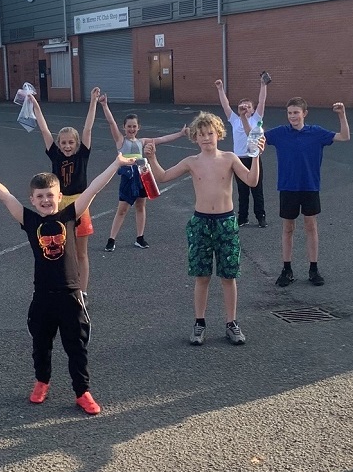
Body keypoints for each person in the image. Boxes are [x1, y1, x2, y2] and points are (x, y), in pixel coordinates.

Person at [0, 145, 137, 415]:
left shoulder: (70, 215)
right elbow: (5, 196)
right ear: (33, 200)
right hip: (43, 296)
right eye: (40, 197)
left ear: (60, 196)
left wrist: (116, 165)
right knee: (41, 344)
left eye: (50, 195)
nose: (46, 200)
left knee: (77, 347)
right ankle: (42, 381)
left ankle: (82, 392)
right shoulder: (30, 220)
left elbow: (93, 188)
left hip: (71, 294)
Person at [144, 112, 263, 346]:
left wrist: (256, 155)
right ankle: (199, 322)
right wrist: (153, 157)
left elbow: (251, 181)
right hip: (201, 223)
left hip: (226, 222)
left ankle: (232, 323)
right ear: (195, 138)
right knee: (202, 276)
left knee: (228, 276)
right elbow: (163, 175)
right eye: (201, 134)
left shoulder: (229, 158)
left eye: (210, 133)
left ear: (218, 134)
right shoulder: (191, 162)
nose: (206, 138)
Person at [264, 97, 350, 287]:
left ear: (304, 113)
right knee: (288, 228)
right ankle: (286, 269)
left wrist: (342, 115)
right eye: (290, 113)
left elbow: (344, 136)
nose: (293, 116)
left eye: (296, 112)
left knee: (310, 226)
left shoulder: (316, 133)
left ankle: (313, 268)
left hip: (310, 186)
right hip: (288, 187)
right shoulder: (280, 133)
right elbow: (255, 136)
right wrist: (246, 118)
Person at [29, 87, 100, 295]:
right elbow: (44, 130)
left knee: (81, 253)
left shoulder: (82, 155)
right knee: (60, 250)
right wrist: (36, 106)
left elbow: (87, 129)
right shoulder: (56, 156)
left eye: (71, 142)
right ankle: (65, 286)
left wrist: (93, 102)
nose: (67, 146)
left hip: (80, 204)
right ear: (58, 145)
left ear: (77, 144)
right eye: (63, 142)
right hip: (59, 204)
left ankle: (83, 292)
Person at [99, 94, 186, 251]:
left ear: (138, 127)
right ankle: (111, 239)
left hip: (142, 175)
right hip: (127, 176)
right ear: (124, 127)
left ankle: (140, 237)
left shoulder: (142, 141)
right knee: (122, 209)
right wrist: (105, 105)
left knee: (141, 205)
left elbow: (163, 139)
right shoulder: (120, 141)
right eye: (129, 126)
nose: (131, 129)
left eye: (134, 126)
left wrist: (180, 134)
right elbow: (111, 122)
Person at [215, 74, 269, 228]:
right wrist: (220, 89)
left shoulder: (256, 118)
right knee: (242, 190)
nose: (246, 108)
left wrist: (263, 85)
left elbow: (262, 100)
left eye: (249, 106)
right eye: (243, 107)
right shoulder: (235, 119)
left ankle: (261, 216)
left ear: (253, 110)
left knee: (257, 190)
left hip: (254, 158)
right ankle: (243, 217)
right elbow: (225, 105)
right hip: (239, 159)